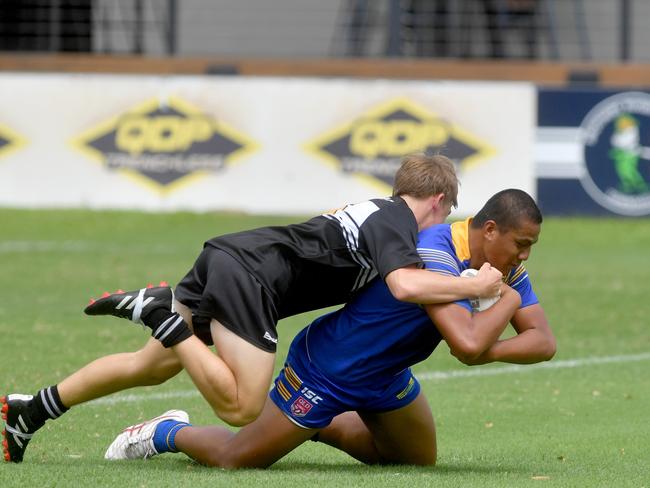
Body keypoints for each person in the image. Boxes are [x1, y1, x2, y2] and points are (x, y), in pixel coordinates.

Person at [1, 153, 503, 463]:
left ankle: (33, 410)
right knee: (241, 406)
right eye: (446, 214)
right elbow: (403, 285)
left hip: (228, 256)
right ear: (437, 200)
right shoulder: (395, 219)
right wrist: (473, 283)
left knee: (148, 367)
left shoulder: (371, 208)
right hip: (251, 280)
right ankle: (163, 317)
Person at [102, 188, 556, 468]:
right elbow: (467, 342)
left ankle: (314, 427)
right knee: (233, 459)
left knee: (413, 460)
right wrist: (507, 300)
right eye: (521, 245)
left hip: (387, 376)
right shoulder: (437, 247)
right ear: (490, 229)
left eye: (531, 248)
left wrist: (490, 328)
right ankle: (163, 432)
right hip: (329, 368)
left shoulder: (499, 265)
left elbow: (543, 342)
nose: (524, 258)